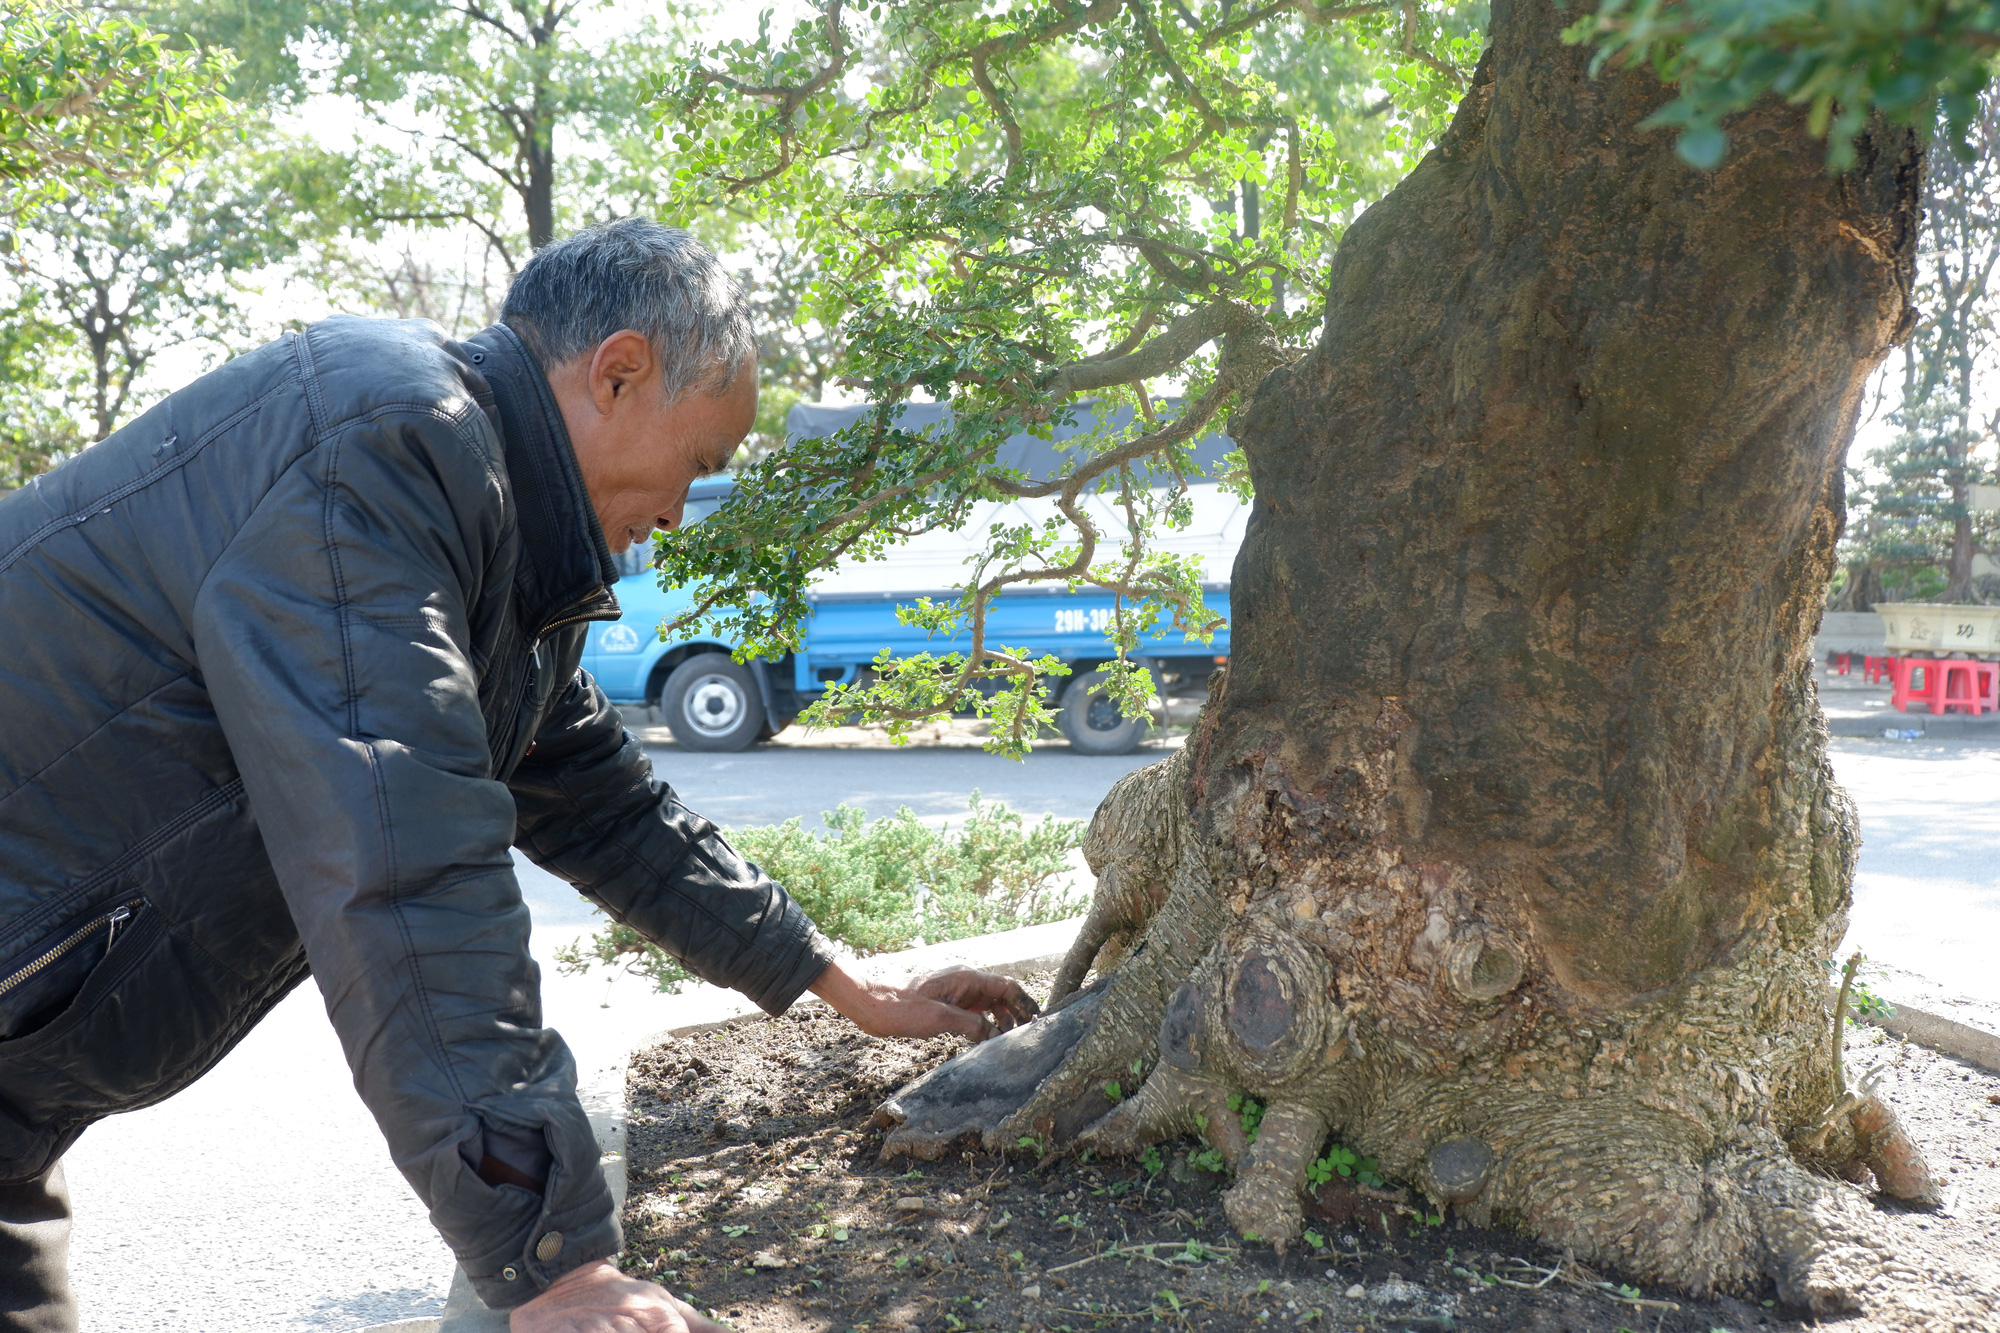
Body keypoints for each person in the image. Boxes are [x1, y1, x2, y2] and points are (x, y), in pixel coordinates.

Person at [0, 219, 1039, 1333]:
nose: (681, 513)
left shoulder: (494, 555)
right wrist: (555, 1263)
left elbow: (609, 807)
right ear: (619, 372)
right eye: (697, 463)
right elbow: (402, 860)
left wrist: (841, 984)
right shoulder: (382, 449)